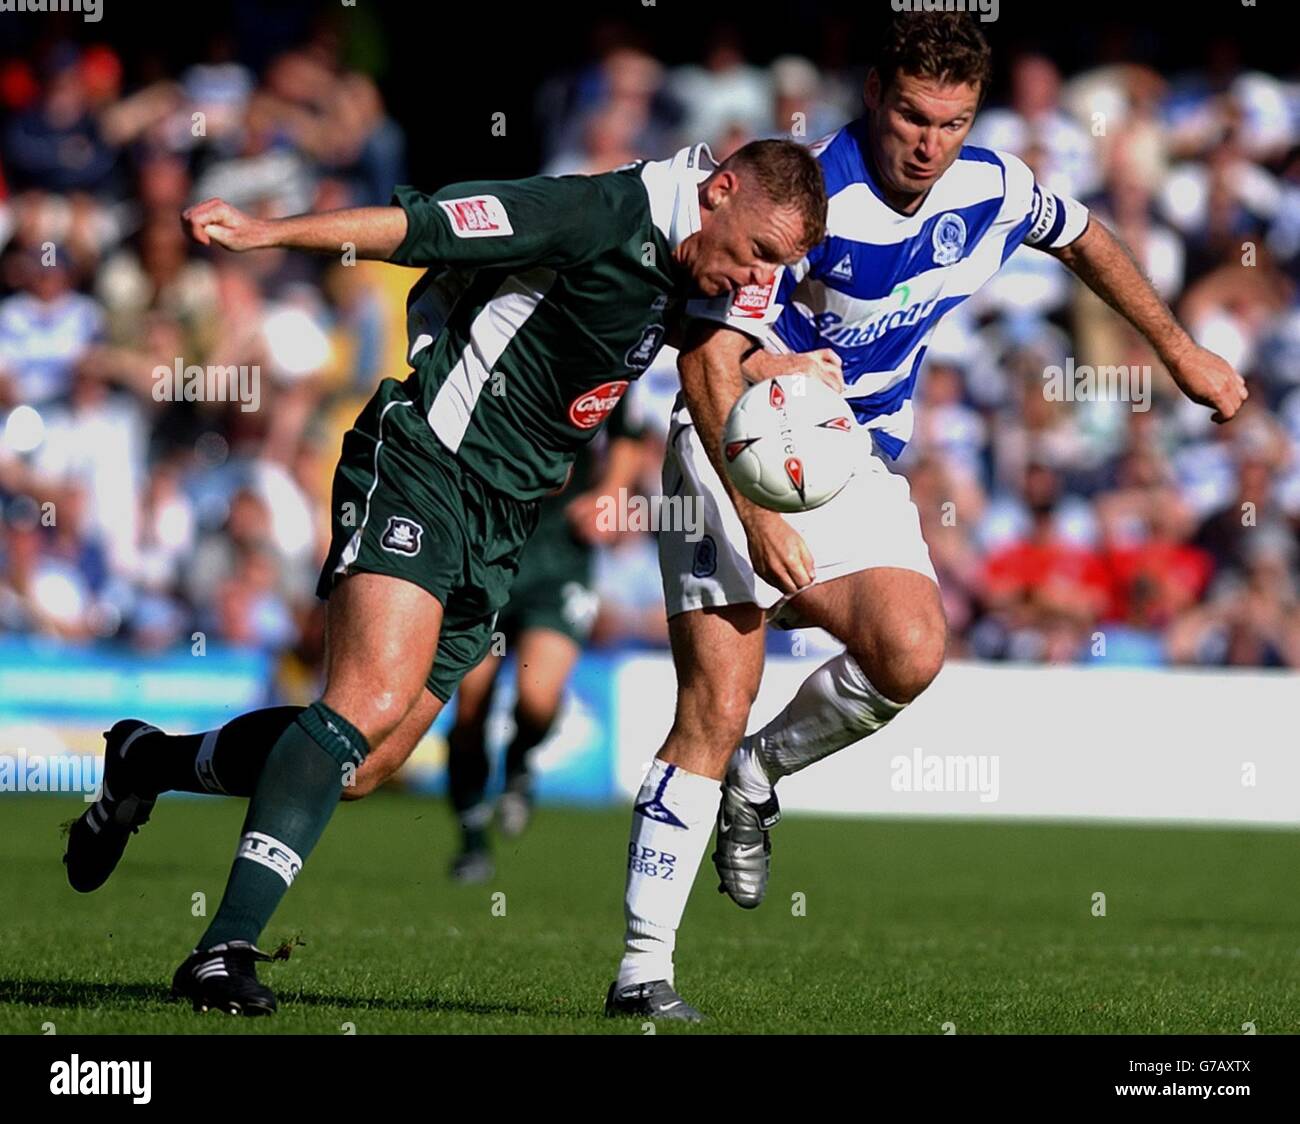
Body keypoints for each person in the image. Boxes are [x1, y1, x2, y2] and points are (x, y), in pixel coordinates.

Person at [63, 137, 828, 1016]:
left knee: (364, 763)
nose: (758, 276)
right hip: (426, 460)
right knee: (365, 702)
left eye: (779, 264)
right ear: (719, 191)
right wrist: (266, 231)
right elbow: (422, 226)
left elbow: (715, 359)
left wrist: (786, 370)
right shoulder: (593, 214)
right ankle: (220, 950)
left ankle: (143, 761)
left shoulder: (699, 264)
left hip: (505, 522)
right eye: (761, 251)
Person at [604, 13, 1247, 1022]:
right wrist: (752, 507)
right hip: (731, 447)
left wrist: (1179, 352)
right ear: (874, 94)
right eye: (910, 114)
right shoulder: (810, 197)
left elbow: (1084, 236)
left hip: (851, 459)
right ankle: (642, 969)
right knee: (713, 708)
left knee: (909, 650)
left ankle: (760, 778)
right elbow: (707, 355)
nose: (927, 141)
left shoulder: (989, 186)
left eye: (951, 121)